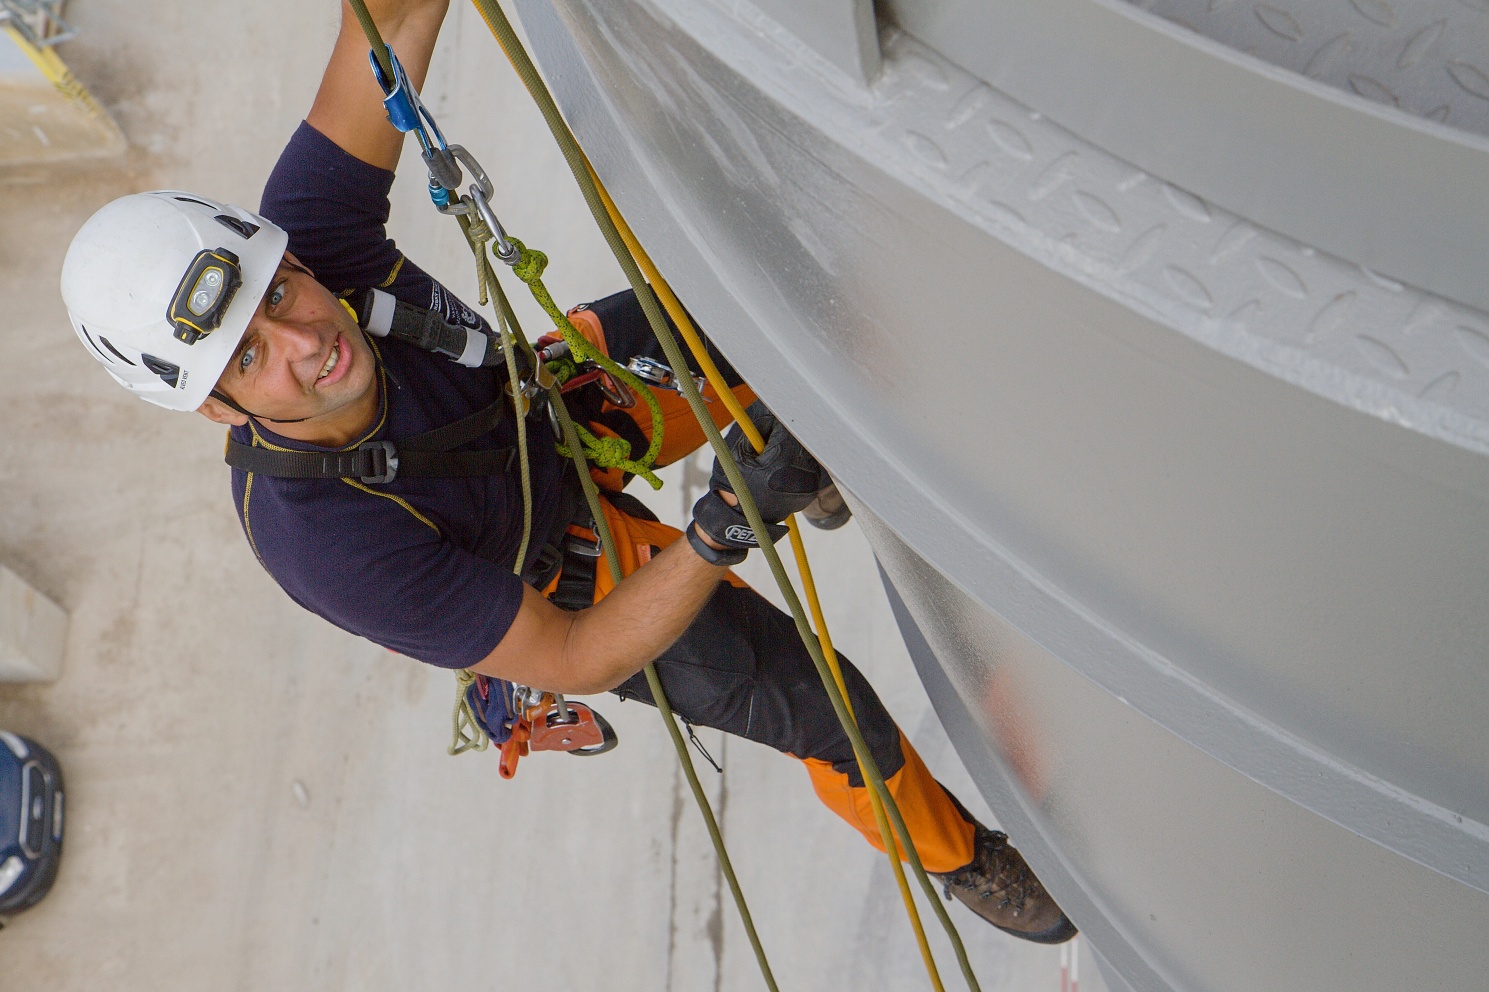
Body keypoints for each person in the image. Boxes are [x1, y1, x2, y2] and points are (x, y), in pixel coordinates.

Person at [58, 0, 1075, 945]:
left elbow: (397, 12)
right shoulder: (322, 539)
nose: (302, 336)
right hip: (571, 575)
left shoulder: (314, 240)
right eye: (246, 356)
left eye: (281, 293)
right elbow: (578, 652)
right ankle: (964, 860)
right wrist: (721, 529)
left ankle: (805, 444)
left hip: (555, 407)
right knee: (827, 709)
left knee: (787, 308)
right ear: (212, 408)